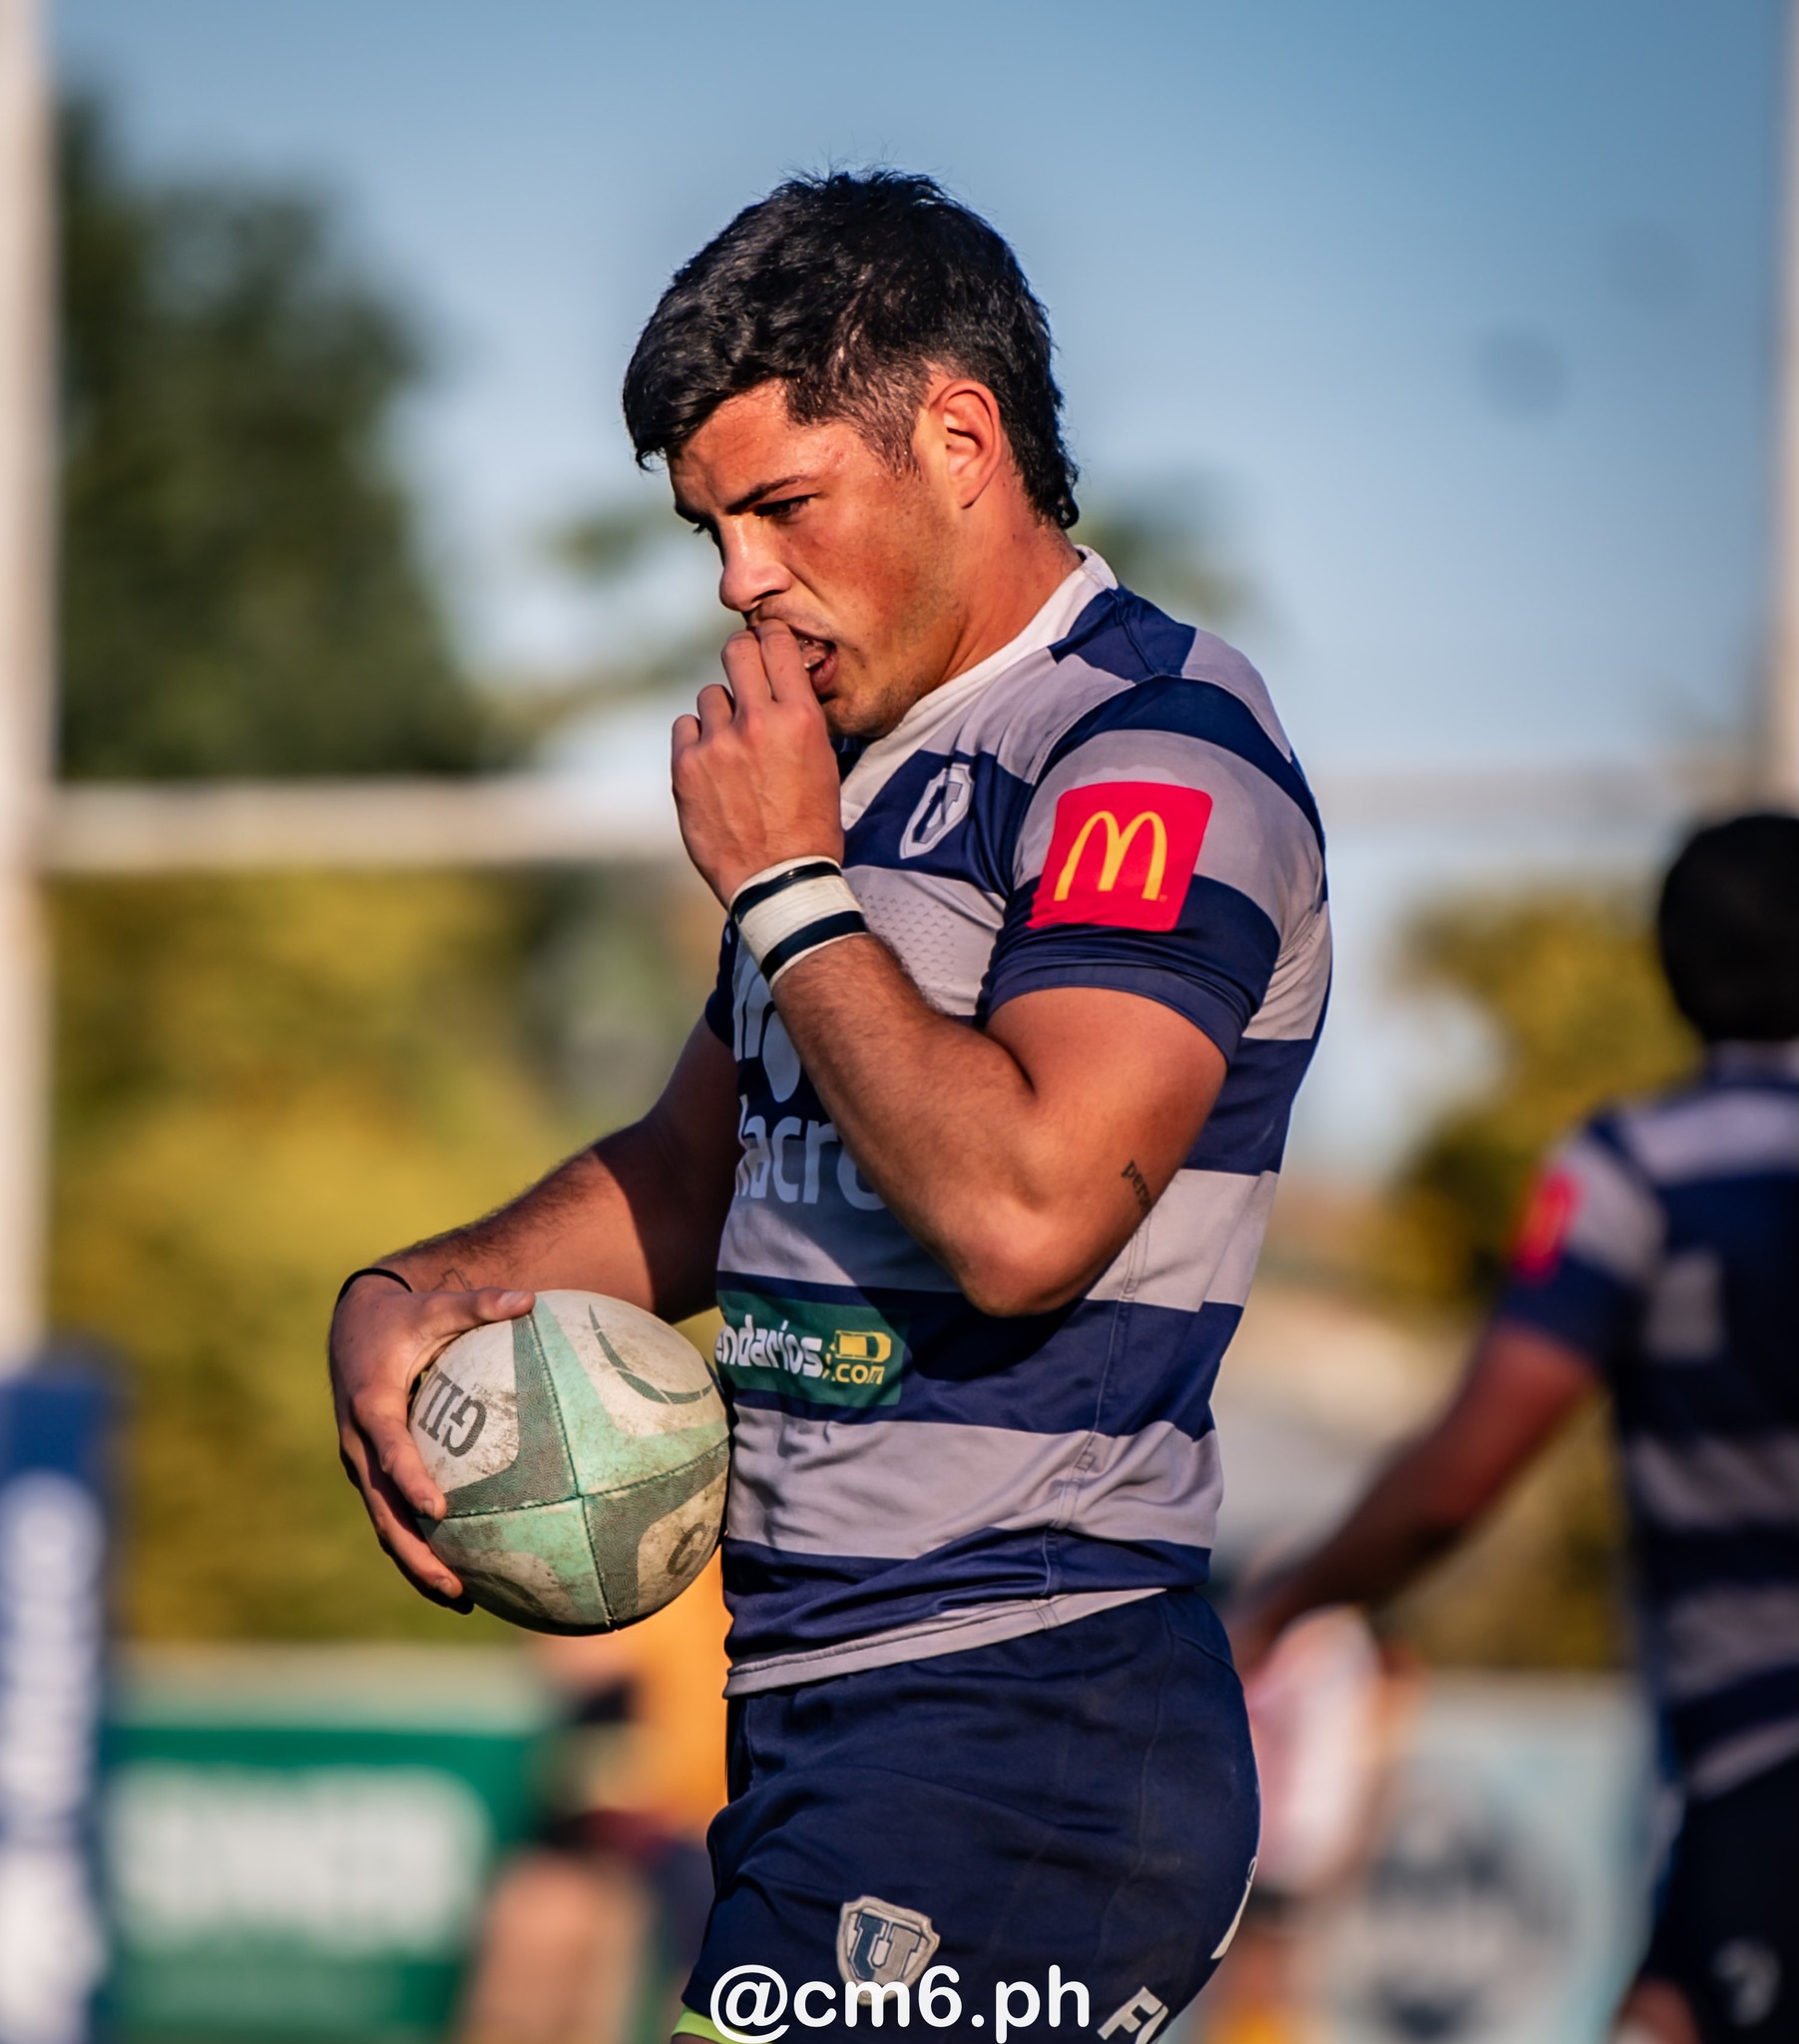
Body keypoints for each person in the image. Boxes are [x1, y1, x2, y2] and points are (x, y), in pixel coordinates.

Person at [329, 171, 1329, 2041]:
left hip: (1023, 1712)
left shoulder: (1152, 748)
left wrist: (787, 894)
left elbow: (1028, 1214)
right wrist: (424, 1286)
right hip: (819, 1712)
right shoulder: (853, 775)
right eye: (711, 528)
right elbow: (700, 1173)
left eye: (781, 506)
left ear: (958, 438)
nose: (738, 580)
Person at [1227, 811, 1799, 2044]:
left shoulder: (1641, 1171)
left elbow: (1462, 1472)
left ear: (1670, 967)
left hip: (1764, 1740)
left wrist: (1287, 1603)